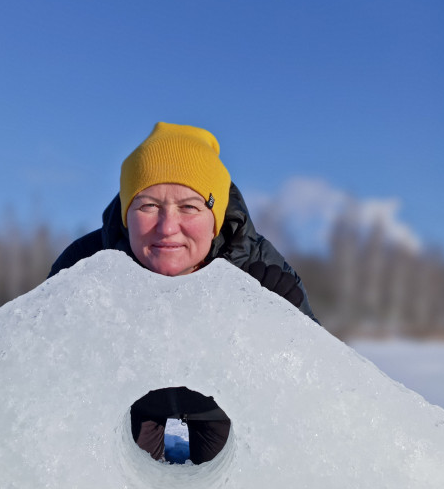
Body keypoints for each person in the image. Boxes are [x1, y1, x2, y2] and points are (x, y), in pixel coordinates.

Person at [48, 122, 317, 464]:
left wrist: (286, 324)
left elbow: (317, 379)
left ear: (214, 217)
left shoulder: (258, 267)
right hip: (132, 402)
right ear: (127, 214)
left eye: (189, 206)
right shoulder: (85, 264)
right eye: (148, 205)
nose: (167, 226)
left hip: (216, 406)